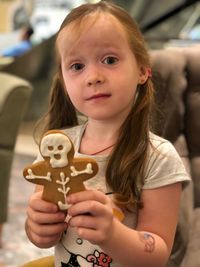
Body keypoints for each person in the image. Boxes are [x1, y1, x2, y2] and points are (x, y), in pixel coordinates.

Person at [25, 2, 190, 267]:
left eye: (110, 60)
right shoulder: (54, 152)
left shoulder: (159, 157)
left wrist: (113, 235)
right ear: (64, 81)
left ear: (142, 70)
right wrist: (38, 228)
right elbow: (42, 238)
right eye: (77, 66)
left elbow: (158, 254)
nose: (93, 76)